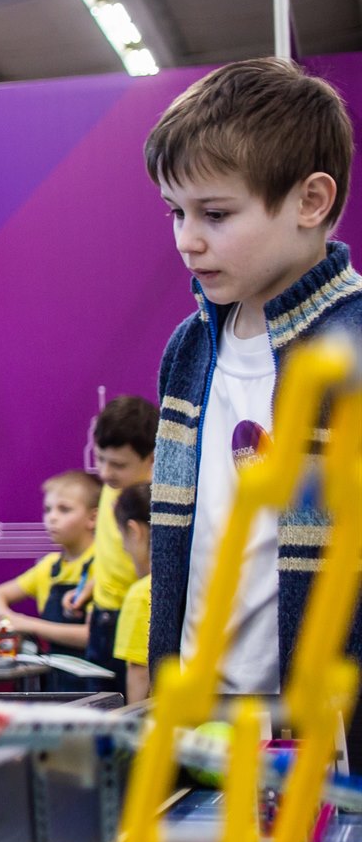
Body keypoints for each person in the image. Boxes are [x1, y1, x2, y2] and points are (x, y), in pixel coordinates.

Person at [144, 57, 361, 691]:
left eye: (215, 214)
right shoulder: (188, 349)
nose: (187, 240)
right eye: (175, 212)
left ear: (310, 202)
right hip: (197, 716)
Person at [67, 395, 156, 691]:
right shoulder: (113, 485)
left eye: (118, 464)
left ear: (152, 457)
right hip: (102, 618)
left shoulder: (150, 505)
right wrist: (92, 586)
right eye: (100, 459)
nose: (105, 473)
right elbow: (111, 550)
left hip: (135, 619)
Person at [0, 470, 100, 653]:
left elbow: (93, 636)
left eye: (64, 509)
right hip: (55, 670)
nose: (52, 517)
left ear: (93, 518)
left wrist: (27, 624)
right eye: (48, 509)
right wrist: (9, 619)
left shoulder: (104, 564)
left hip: (95, 670)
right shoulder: (49, 566)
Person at [110, 483, 154, 704]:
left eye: (122, 536)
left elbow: (140, 675)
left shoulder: (142, 594)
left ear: (134, 531)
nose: (125, 548)